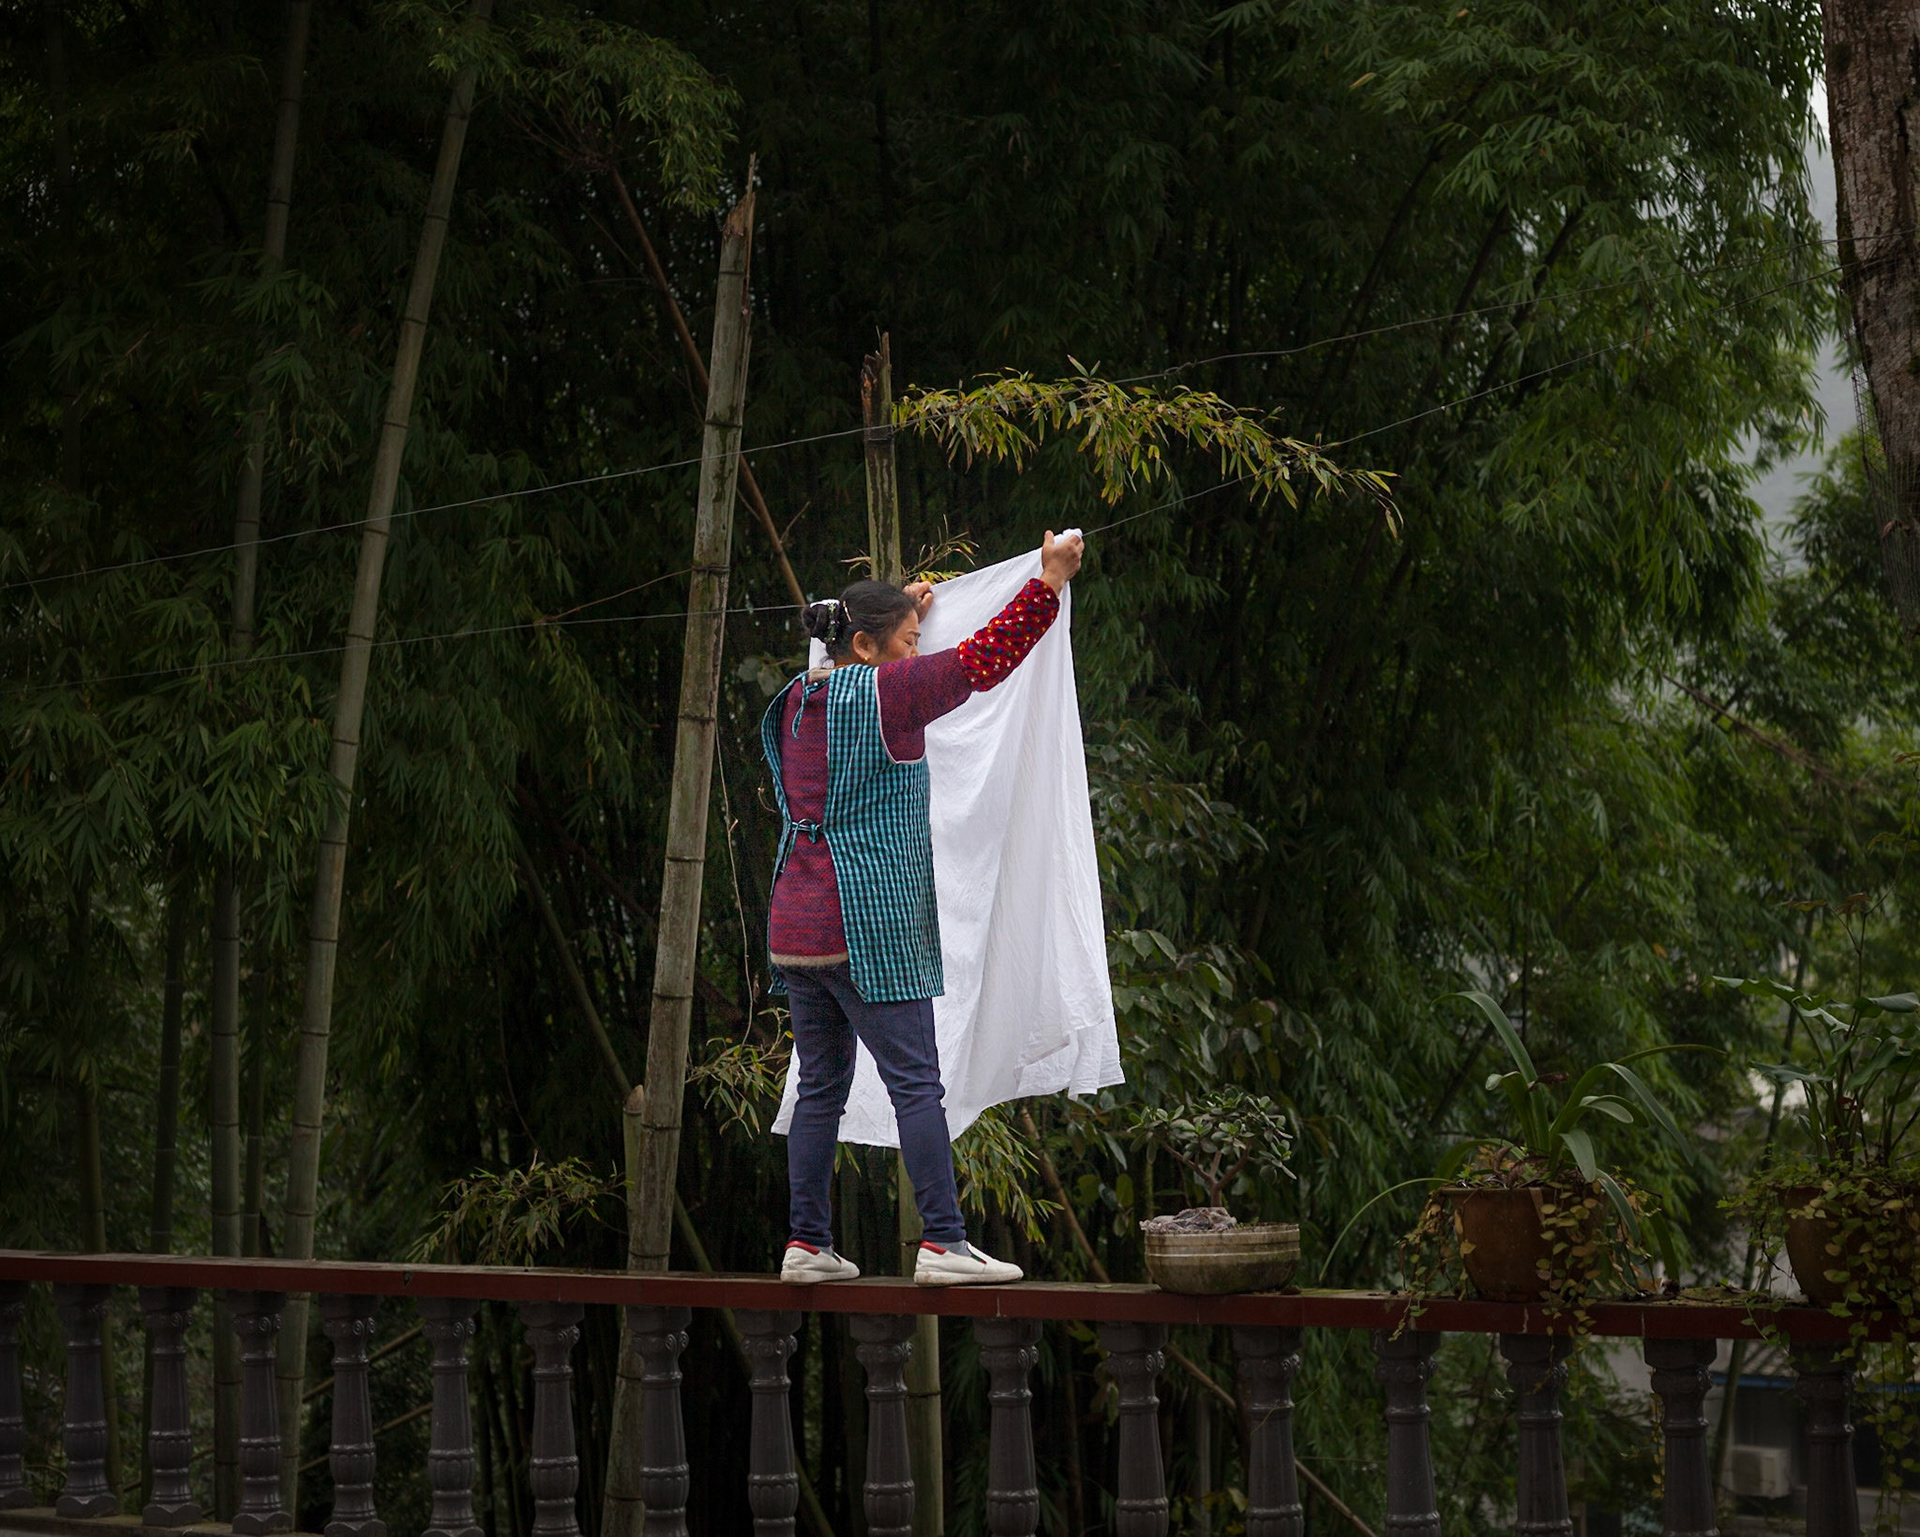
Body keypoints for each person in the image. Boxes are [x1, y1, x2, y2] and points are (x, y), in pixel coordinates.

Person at [762, 530, 1086, 1285]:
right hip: (865, 923)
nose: (916, 653)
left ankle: (806, 1244)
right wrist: (1047, 582)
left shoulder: (797, 699)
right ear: (871, 649)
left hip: (795, 925)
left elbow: (844, 667)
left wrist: (901, 614)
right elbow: (984, 658)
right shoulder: (890, 690)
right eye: (907, 641)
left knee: (820, 1087)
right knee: (917, 1084)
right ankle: (942, 1240)